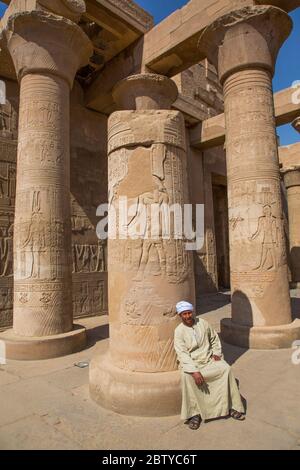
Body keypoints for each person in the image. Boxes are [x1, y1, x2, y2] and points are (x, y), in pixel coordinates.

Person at [174, 301, 245, 430]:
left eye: (189, 313)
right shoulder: (179, 331)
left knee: (225, 369)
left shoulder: (203, 323)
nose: (188, 316)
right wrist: (194, 371)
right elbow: (182, 353)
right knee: (187, 378)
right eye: (184, 314)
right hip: (192, 362)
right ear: (180, 315)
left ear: (193, 312)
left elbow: (214, 339)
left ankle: (230, 406)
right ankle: (194, 414)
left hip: (208, 358)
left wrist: (217, 352)